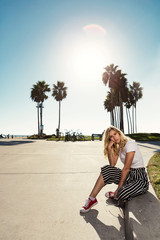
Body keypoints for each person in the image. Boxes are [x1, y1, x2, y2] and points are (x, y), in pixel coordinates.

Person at [80, 126, 149, 213]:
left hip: (140, 179)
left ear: (119, 133)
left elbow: (126, 168)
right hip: (129, 176)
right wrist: (109, 148)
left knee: (121, 194)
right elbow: (112, 165)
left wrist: (118, 188)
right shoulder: (118, 147)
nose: (114, 137)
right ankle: (91, 199)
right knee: (107, 170)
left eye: (115, 134)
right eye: (111, 137)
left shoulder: (130, 144)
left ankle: (116, 193)